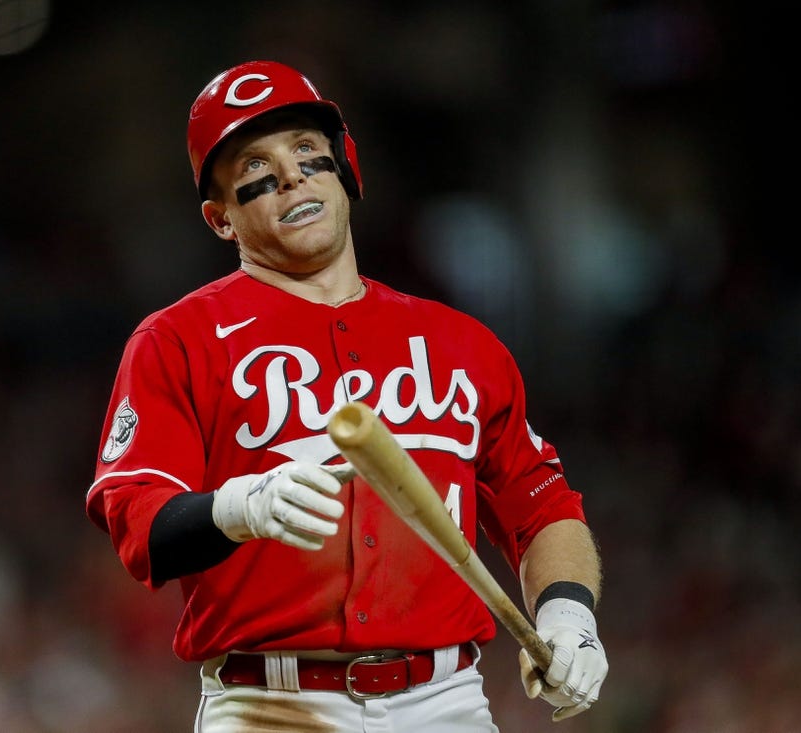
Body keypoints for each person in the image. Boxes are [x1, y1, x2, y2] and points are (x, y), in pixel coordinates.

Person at [86, 59, 608, 732]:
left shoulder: (461, 342)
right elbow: (138, 522)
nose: (291, 176)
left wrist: (569, 614)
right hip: (268, 705)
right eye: (256, 170)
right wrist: (236, 508)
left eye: (308, 151)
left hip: (446, 700)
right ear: (221, 219)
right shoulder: (177, 339)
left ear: (346, 168)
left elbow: (541, 505)